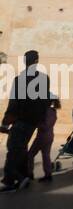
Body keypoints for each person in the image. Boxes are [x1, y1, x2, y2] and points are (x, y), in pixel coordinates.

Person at [1, 51, 51, 192]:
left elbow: (14, 103)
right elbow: (44, 101)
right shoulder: (44, 79)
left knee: (13, 149)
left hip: (21, 120)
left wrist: (5, 123)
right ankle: (25, 177)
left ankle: (11, 181)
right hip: (33, 122)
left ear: (24, 62)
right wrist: (41, 119)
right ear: (37, 61)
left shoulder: (19, 80)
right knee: (22, 148)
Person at [27, 94, 60, 183]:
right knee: (46, 156)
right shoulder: (53, 111)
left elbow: (45, 125)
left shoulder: (46, 111)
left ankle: (29, 174)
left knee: (30, 155)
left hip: (42, 137)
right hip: (49, 136)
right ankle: (48, 175)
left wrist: (37, 123)